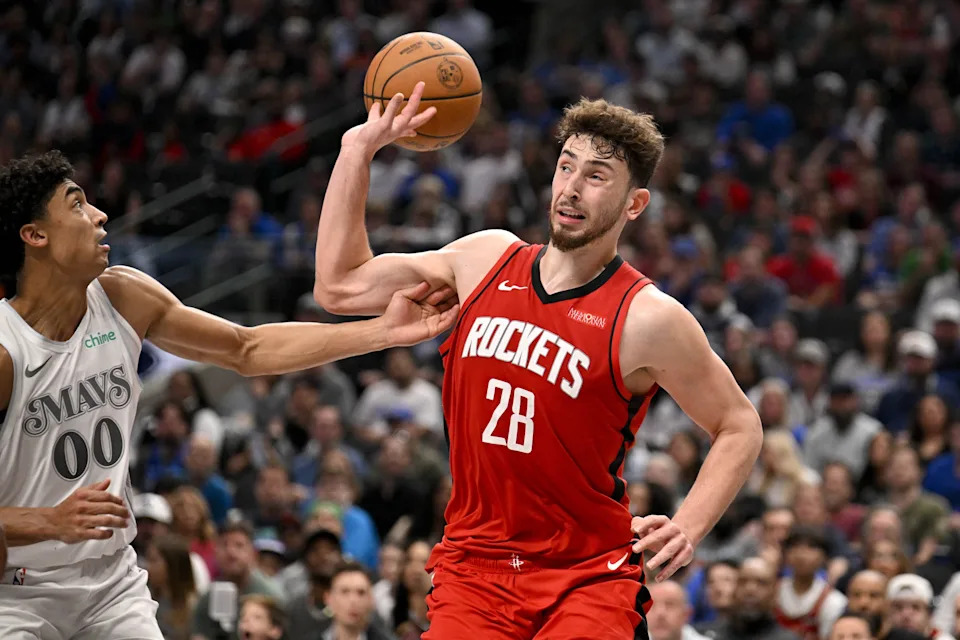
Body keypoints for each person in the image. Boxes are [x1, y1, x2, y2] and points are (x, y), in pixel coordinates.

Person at [314, 84, 763, 638]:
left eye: (596, 176)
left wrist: (689, 526)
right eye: (566, 167)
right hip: (474, 566)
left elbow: (739, 424)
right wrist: (355, 152)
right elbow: (339, 286)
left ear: (634, 204)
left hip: (586, 574)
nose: (571, 190)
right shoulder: (482, 259)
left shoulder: (648, 317)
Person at [0, 150, 458, 639]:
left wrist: (382, 331)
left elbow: (248, 347)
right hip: (20, 590)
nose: (99, 214)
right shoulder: (7, 352)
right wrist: (48, 521)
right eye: (76, 205)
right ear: (35, 235)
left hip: (111, 582)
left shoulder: (122, 297)